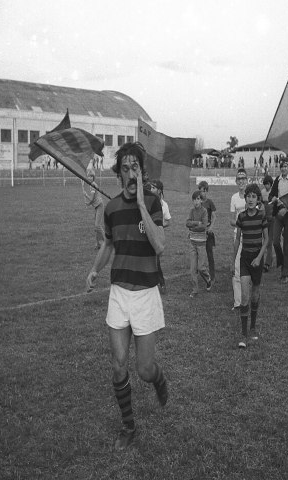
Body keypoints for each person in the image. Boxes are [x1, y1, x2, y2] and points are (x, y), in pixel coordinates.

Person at [85, 142, 168, 450]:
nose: (131, 174)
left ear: (142, 172)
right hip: (119, 293)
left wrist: (143, 207)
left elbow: (160, 245)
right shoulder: (111, 208)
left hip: (146, 296)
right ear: (118, 174)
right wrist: (94, 271)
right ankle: (128, 425)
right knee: (119, 364)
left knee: (144, 370)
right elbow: (108, 245)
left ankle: (158, 379)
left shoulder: (154, 202)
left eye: (136, 168)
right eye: (125, 169)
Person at [233, 183, 268, 348]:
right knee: (245, 296)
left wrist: (259, 258)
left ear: (258, 199)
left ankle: (253, 327)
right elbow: (237, 239)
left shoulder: (262, 216)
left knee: (255, 295)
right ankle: (243, 333)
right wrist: (233, 260)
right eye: (249, 196)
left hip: (257, 260)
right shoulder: (241, 217)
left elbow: (266, 240)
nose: (251, 199)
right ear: (245, 198)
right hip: (245, 259)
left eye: (254, 196)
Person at [270, 159, 288, 283]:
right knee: (276, 241)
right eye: (281, 166)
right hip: (278, 214)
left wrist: (286, 209)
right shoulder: (277, 180)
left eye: (285, 166)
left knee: (287, 244)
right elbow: (272, 195)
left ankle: (285, 273)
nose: (283, 168)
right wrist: (273, 198)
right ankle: (282, 262)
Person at [186, 190, 212, 297]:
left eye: (198, 199)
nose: (196, 201)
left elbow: (204, 226)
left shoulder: (204, 211)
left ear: (201, 200)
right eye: (194, 199)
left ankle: (208, 279)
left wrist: (194, 227)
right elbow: (187, 223)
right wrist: (197, 223)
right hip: (192, 243)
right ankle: (195, 290)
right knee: (193, 269)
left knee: (201, 268)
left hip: (201, 244)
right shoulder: (191, 211)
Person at [230, 168, 248, 310]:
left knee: (249, 269)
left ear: (247, 180)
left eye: (243, 178)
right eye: (239, 179)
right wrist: (240, 222)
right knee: (237, 268)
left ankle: (247, 299)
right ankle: (237, 302)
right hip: (238, 235)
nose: (241, 181)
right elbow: (231, 220)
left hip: (251, 236)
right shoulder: (234, 197)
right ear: (236, 182)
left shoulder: (252, 196)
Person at [150, 179, 172, 294]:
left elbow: (168, 222)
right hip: (147, 234)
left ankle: (161, 283)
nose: (151, 189)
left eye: (153, 188)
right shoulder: (147, 202)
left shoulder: (164, 205)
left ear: (159, 191)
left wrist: (158, 225)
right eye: (151, 187)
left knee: (155, 261)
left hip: (157, 236)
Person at [198, 181, 217, 285]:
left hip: (208, 233)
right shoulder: (198, 203)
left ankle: (212, 276)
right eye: (200, 191)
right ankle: (200, 272)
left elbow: (214, 216)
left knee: (209, 254)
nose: (202, 193)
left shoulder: (209, 202)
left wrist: (211, 227)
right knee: (199, 253)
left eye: (204, 191)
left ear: (207, 191)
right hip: (200, 232)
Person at [81, 170, 105, 249]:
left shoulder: (93, 185)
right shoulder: (91, 185)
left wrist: (86, 197)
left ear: (93, 177)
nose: (90, 177)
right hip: (96, 206)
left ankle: (106, 242)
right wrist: (87, 198)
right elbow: (92, 199)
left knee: (97, 226)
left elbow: (91, 199)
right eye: (89, 176)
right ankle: (98, 244)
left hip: (99, 205)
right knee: (96, 227)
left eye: (91, 176)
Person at [260, 175, 274, 272]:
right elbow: (260, 205)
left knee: (269, 242)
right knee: (263, 240)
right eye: (265, 184)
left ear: (271, 184)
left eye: (268, 184)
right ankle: (262, 261)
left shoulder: (274, 192)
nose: (266, 186)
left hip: (272, 220)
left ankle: (267, 263)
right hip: (264, 219)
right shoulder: (262, 192)